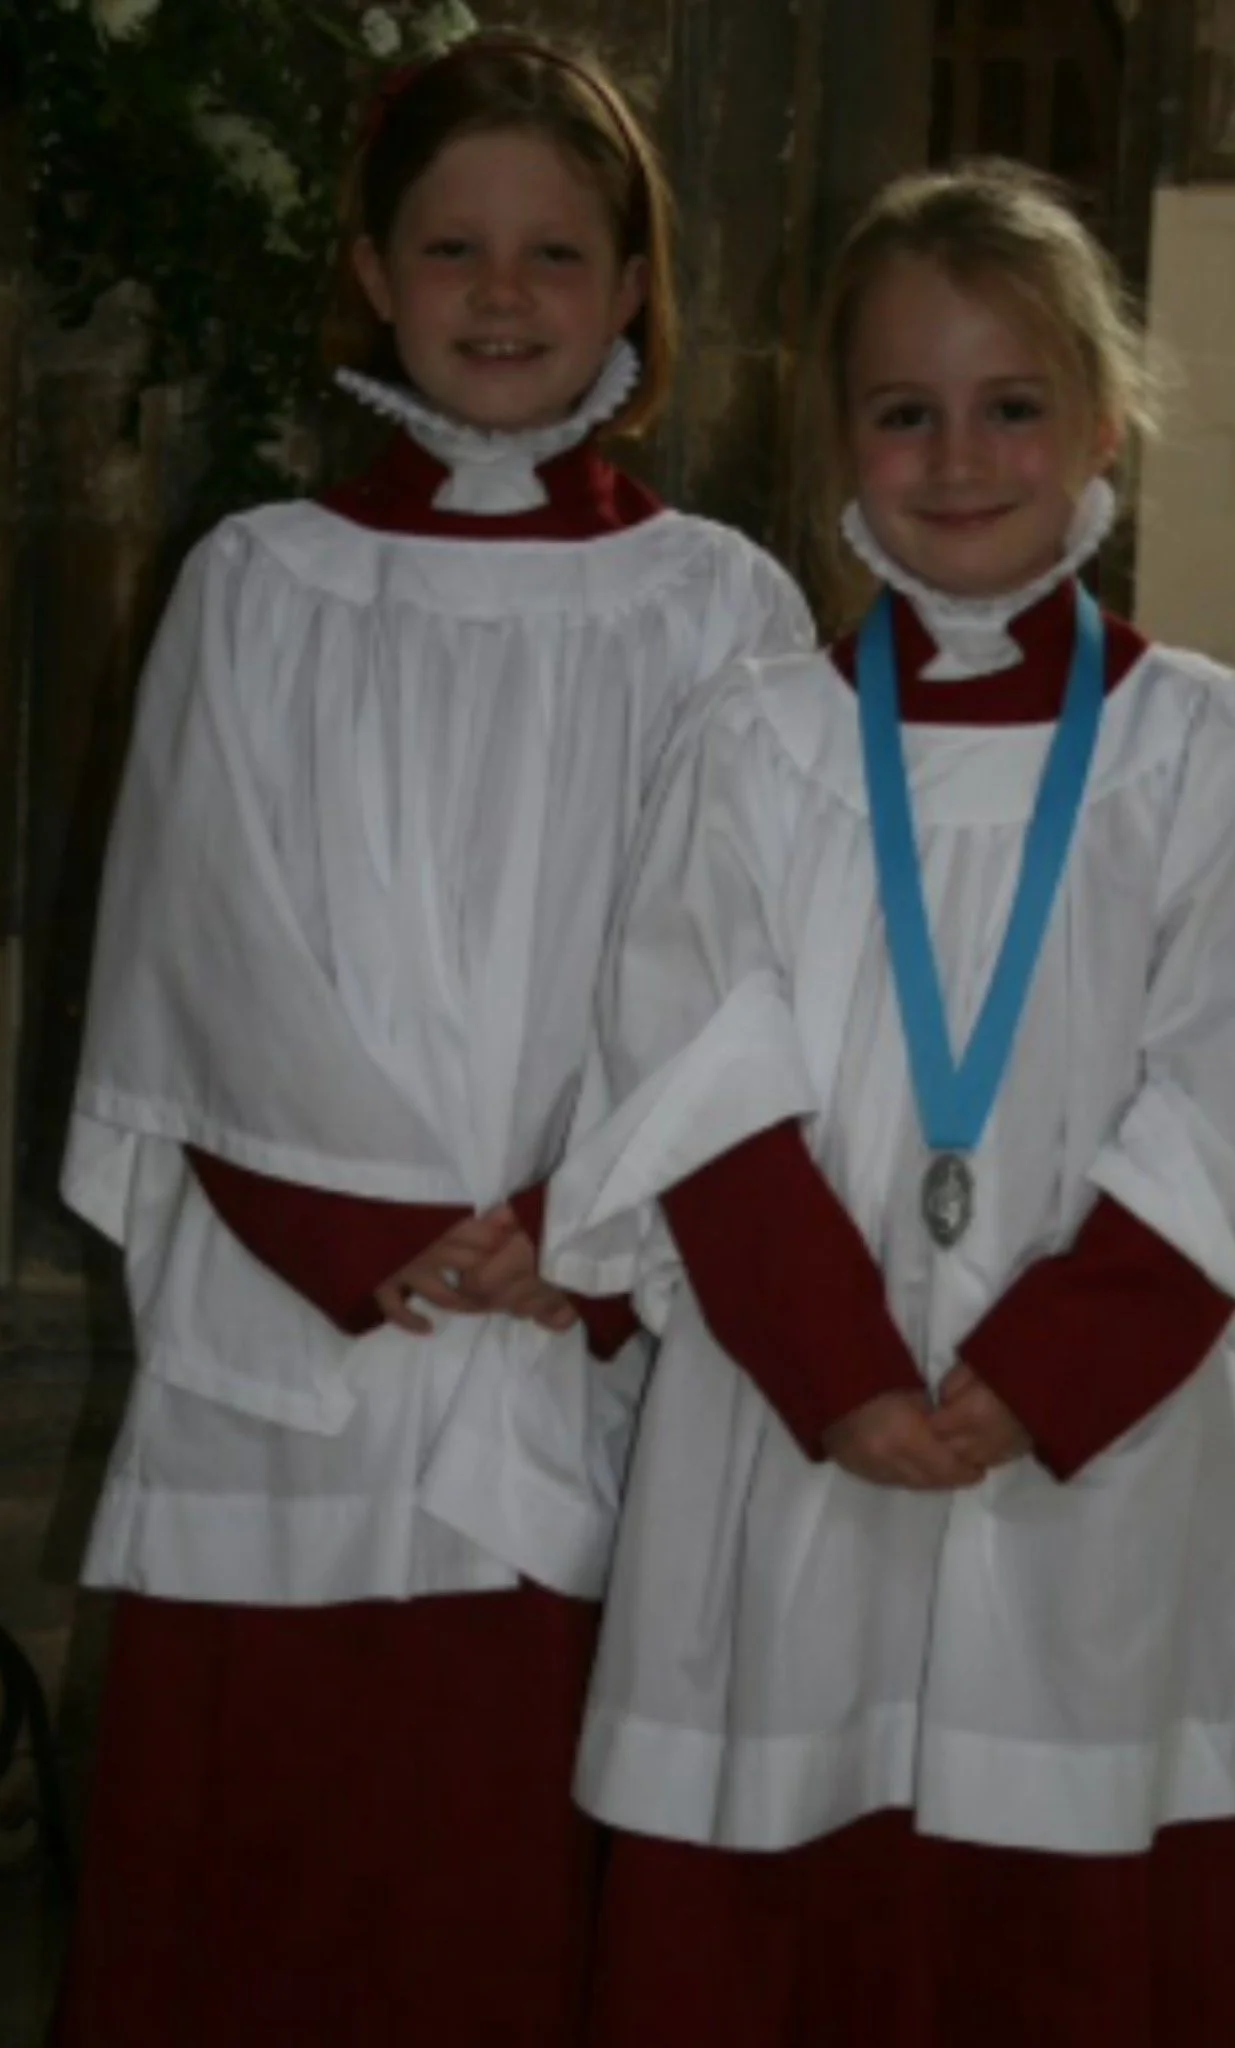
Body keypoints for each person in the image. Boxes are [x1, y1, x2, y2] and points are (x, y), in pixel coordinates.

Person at [540, 160, 1235, 2047]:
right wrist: (838, 1365)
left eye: (1013, 406)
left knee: (1064, 1882)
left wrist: (1057, 1365)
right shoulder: (757, 742)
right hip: (795, 1428)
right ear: (837, 430)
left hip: (1086, 1441)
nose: (960, 454)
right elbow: (690, 1081)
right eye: (903, 409)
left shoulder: (1194, 745)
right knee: (788, 1844)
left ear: (1099, 419)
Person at [52, 34, 810, 2048]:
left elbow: (759, 971)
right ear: (373, 276)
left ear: (636, 285)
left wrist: (583, 1223)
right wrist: (362, 1228)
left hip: (584, 1308)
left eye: (557, 253)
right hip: (312, 1331)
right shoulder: (262, 583)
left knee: (519, 1865)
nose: (502, 294)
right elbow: (198, 938)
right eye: (454, 246)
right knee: (283, 1857)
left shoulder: (716, 607)